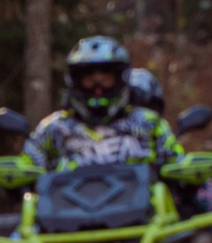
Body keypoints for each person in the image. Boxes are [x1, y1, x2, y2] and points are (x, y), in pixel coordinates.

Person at [22, 37, 187, 173]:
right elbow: (26, 165)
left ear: (120, 79)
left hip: (143, 211)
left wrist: (190, 175)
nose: (98, 89)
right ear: (75, 82)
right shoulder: (55, 127)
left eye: (106, 80)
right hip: (65, 212)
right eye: (89, 81)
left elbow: (179, 163)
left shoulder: (149, 123)